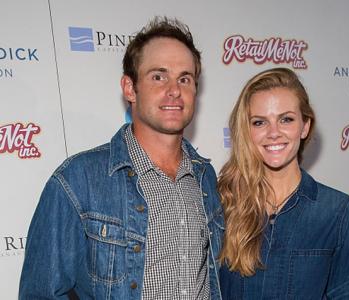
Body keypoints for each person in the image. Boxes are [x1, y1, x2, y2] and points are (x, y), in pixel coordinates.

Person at [19, 17, 224, 299]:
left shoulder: (205, 178)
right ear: (130, 88)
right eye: (159, 76)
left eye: (185, 78)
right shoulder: (79, 180)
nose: (174, 90)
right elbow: (40, 293)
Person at [218, 68, 349, 299]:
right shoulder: (222, 202)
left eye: (286, 119)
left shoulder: (337, 210)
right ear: (246, 130)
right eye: (259, 122)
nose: (273, 133)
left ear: (304, 126)